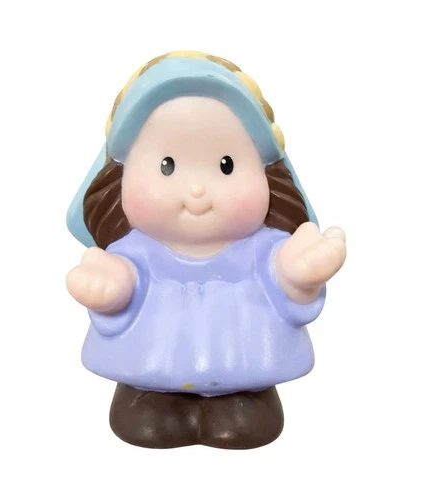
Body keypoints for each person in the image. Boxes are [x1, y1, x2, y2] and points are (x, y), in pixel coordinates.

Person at [66, 51, 347, 449]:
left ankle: (240, 401)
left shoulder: (262, 249)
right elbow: (123, 283)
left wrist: (300, 273)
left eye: (226, 165)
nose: (197, 190)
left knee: (246, 420)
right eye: (167, 165)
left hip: (244, 369)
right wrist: (109, 289)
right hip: (148, 367)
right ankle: (151, 401)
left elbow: (282, 278)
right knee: (146, 420)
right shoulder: (135, 252)